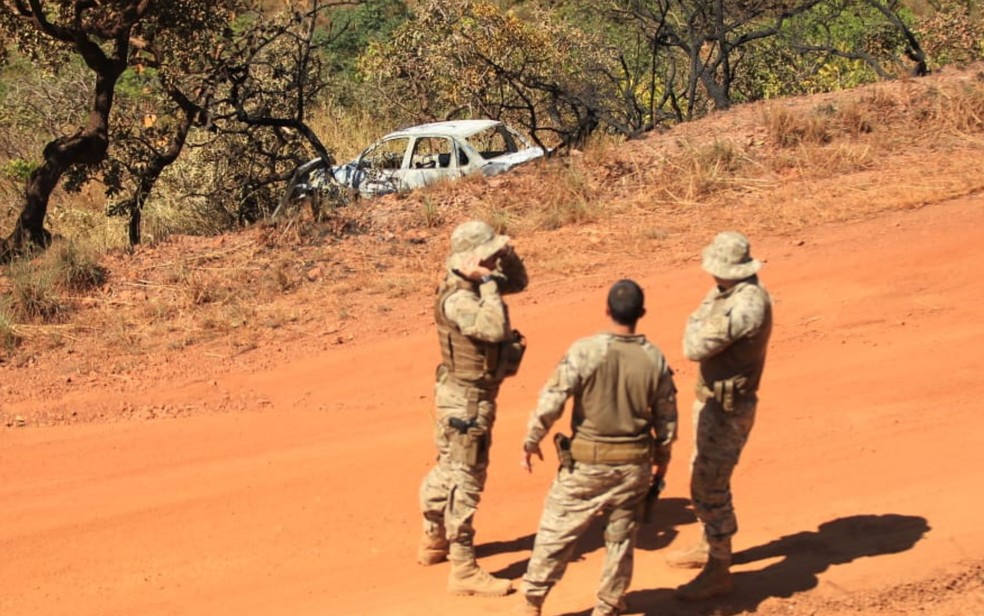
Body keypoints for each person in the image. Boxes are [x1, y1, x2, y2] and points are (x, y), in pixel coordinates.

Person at [518, 279, 678, 616]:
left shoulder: (585, 351)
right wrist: (662, 460)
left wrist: (532, 439)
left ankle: (531, 602)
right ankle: (608, 606)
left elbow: (553, 399)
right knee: (621, 539)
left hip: (585, 466)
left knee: (555, 533)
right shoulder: (654, 359)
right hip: (633, 467)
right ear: (641, 313)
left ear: (607, 310)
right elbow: (666, 420)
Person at [417, 219, 529, 597]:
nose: (493, 262)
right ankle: (463, 567)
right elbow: (495, 328)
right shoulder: (461, 298)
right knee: (467, 479)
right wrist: (489, 283)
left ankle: (433, 538)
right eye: (488, 255)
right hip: (467, 401)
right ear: (469, 259)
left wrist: (506, 256)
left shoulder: (470, 282)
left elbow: (519, 282)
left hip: (459, 394)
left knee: (448, 468)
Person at [668, 231, 773, 602]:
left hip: (727, 410)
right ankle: (708, 542)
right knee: (701, 474)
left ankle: (718, 568)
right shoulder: (729, 293)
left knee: (709, 484)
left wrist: (696, 319)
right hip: (713, 401)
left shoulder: (745, 305)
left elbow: (693, 346)